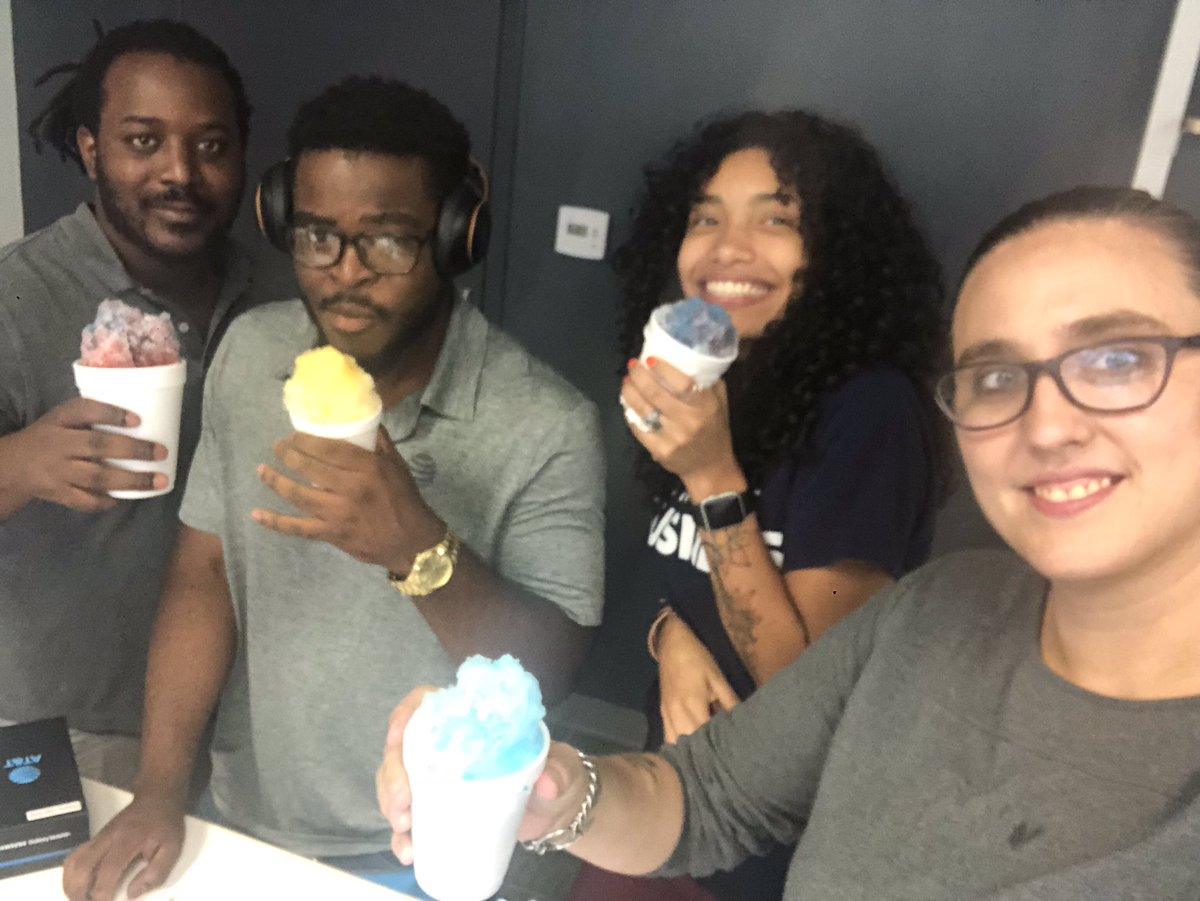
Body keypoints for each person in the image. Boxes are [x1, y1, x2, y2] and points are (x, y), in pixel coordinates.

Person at [381, 184, 1200, 899]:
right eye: (995, 376)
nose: (1048, 424)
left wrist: (713, 479)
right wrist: (550, 785)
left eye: (1118, 360)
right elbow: (713, 798)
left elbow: (782, 666)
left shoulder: (865, 418)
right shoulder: (942, 607)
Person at [62, 75, 604, 901]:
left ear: (455, 235)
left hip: (427, 851)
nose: (344, 276)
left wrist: (419, 550)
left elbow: (553, 669)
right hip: (240, 818)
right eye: (316, 236)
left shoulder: (546, 422)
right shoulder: (251, 354)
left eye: (386, 241)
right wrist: (161, 791)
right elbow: (203, 575)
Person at [581, 109, 947, 898]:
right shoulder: (724, 385)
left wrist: (713, 477)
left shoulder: (870, 413)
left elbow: (809, 688)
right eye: (704, 218)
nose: (725, 249)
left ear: (838, 251)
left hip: (779, 851)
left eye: (776, 219)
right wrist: (668, 633)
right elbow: (690, 572)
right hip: (674, 801)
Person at [0, 19, 252, 789]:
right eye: (144, 141)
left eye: (211, 146)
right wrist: (18, 461)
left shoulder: (280, 292)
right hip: (77, 723)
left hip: (249, 720)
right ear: (88, 148)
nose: (181, 172)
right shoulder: (17, 294)